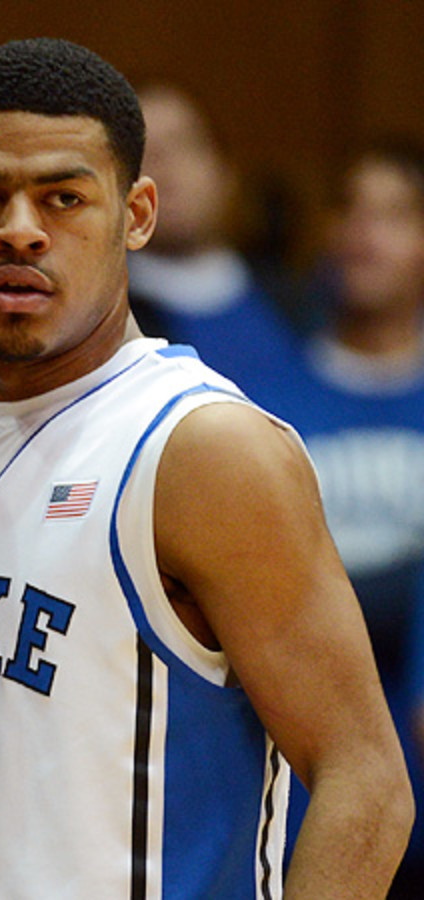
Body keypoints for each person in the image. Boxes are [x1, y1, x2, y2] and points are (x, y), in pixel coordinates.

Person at [0, 38, 412, 898]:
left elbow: (367, 781)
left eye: (62, 197)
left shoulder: (203, 449)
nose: (19, 228)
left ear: (137, 215)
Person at [252, 137, 424, 898]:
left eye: (395, 214)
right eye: (350, 209)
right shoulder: (256, 403)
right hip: (297, 804)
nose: (365, 232)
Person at [127, 81, 303, 392]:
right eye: (143, 152)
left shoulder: (299, 304)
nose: (165, 167)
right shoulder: (96, 323)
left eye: (182, 144)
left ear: (225, 171)